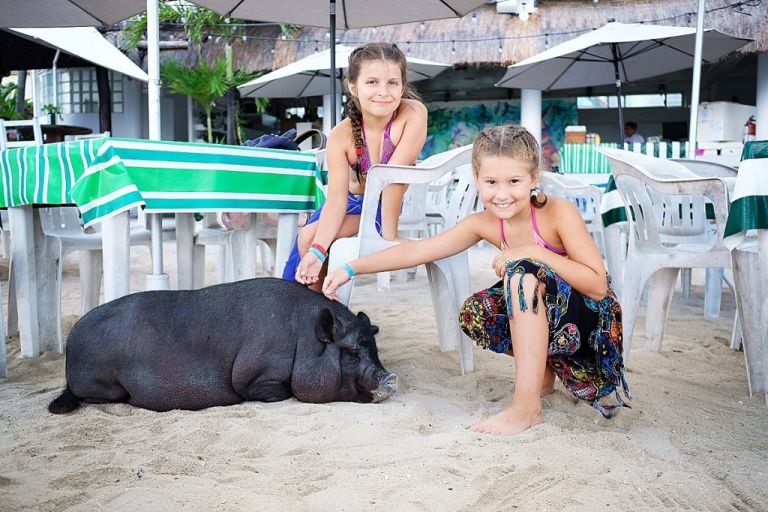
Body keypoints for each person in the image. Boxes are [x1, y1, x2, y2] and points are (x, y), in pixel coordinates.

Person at [322, 124, 630, 436]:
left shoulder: (557, 213)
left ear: (534, 179)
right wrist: (351, 268)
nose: (502, 193)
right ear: (477, 180)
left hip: (593, 329)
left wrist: (533, 252)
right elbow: (418, 251)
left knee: (521, 277)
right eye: (491, 182)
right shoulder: (484, 223)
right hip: (554, 319)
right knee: (476, 312)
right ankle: (543, 371)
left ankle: (526, 408)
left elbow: (597, 286)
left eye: (514, 181)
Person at [282, 43, 428, 289]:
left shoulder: (413, 113)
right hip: (347, 204)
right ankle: (317, 310)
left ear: (403, 86)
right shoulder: (341, 135)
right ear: (353, 86)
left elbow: (393, 178)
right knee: (307, 238)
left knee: (309, 236)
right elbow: (337, 200)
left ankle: (321, 314)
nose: (383, 91)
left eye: (392, 82)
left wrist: (389, 235)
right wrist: (318, 251)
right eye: (372, 82)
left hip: (382, 205)